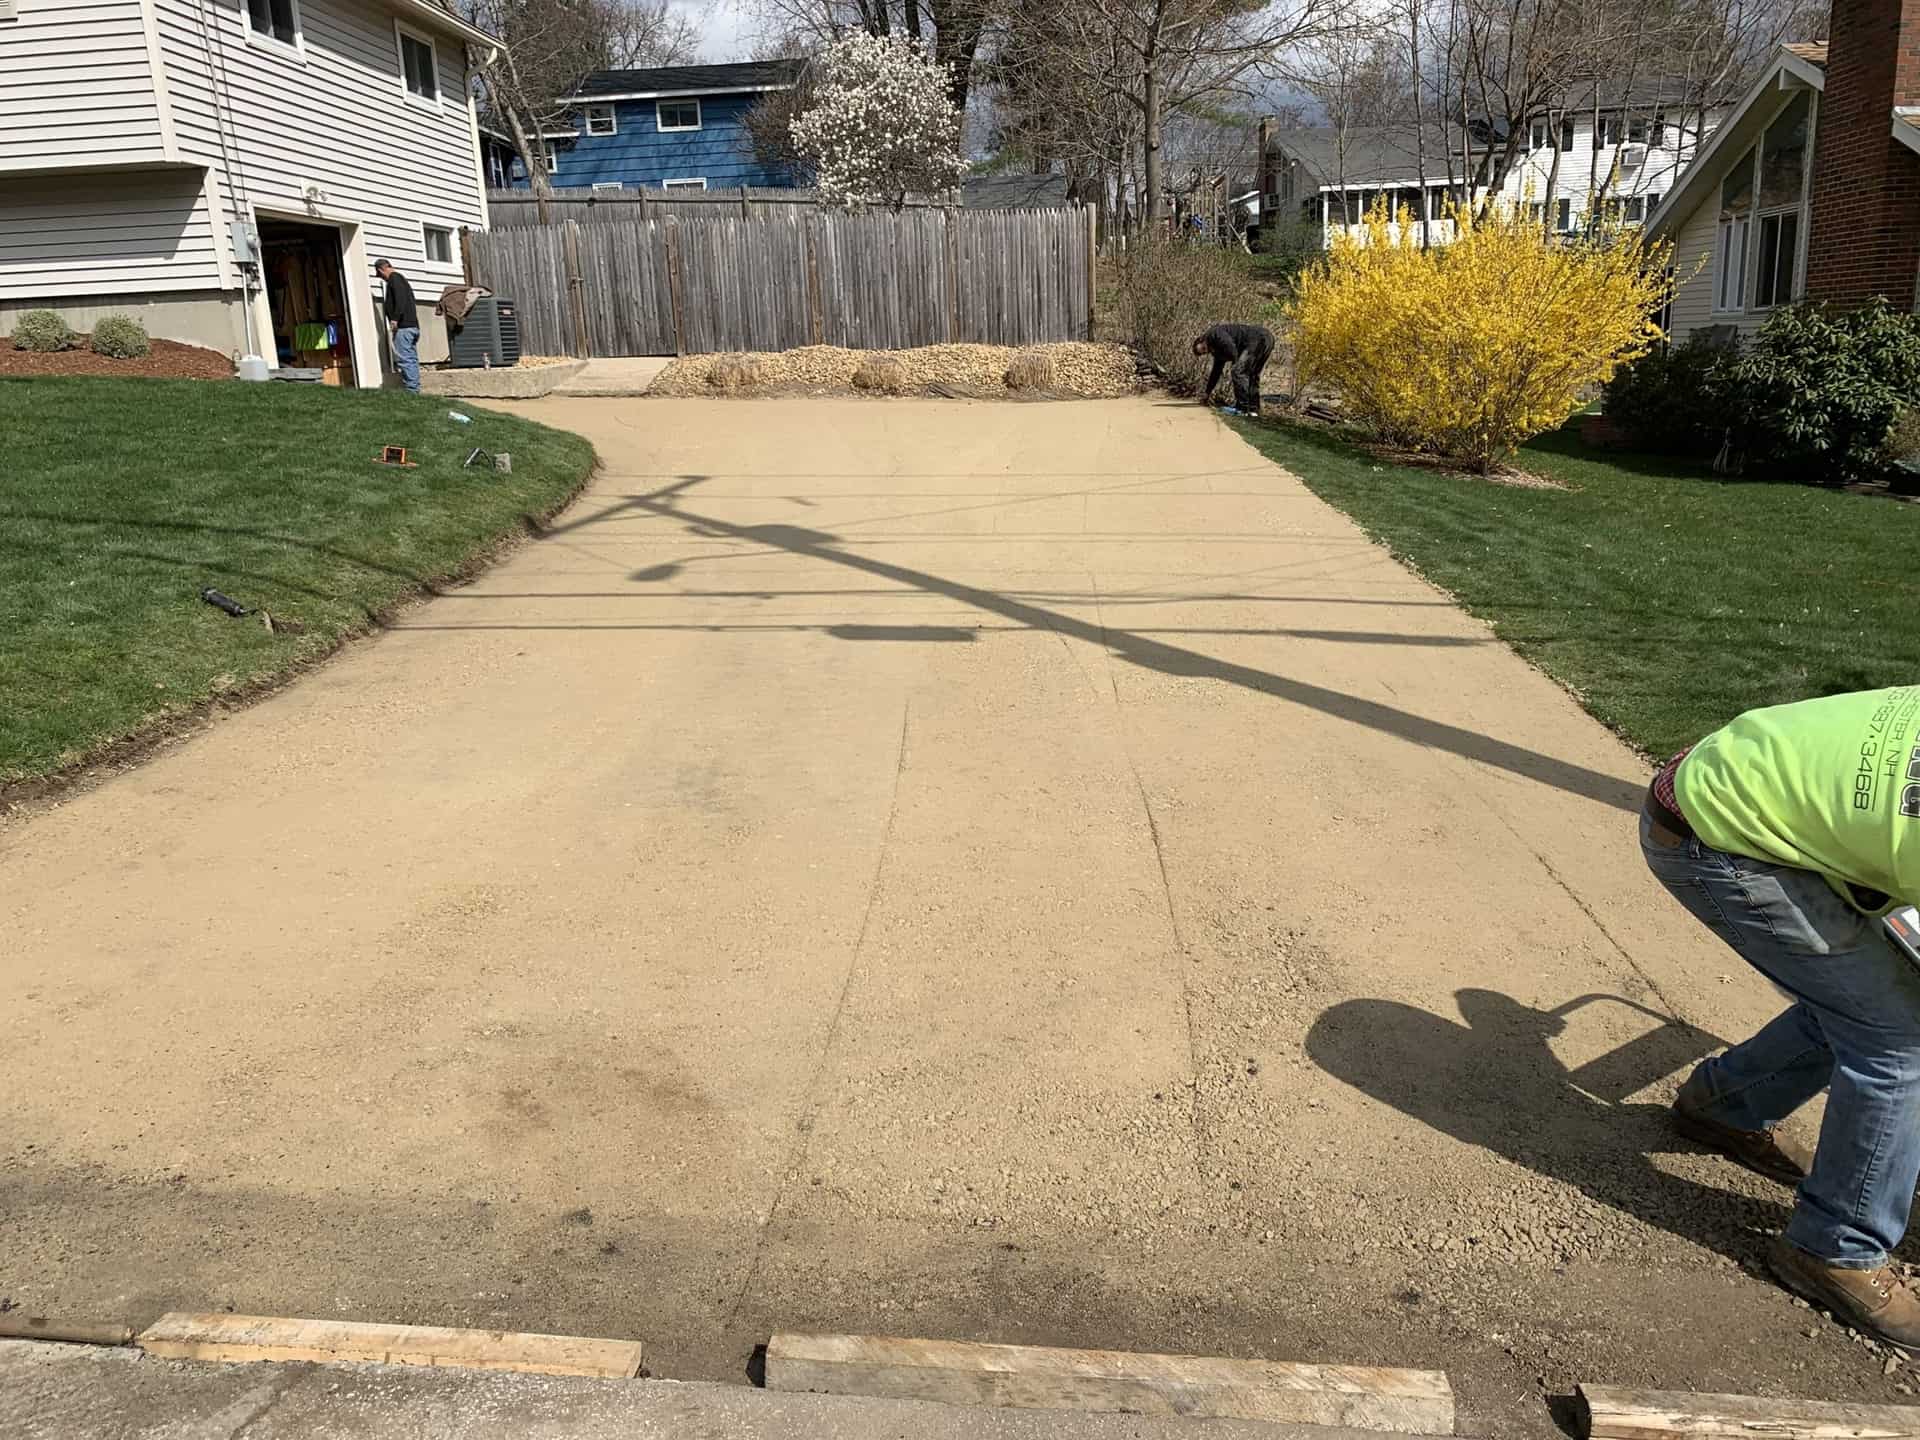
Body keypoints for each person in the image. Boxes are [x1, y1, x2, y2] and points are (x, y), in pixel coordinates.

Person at [1642, 686, 1920, 1348]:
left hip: (1739, 795)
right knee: (1897, 1040)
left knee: (1866, 1002)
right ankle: (1835, 1250)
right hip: (1721, 836)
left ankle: (1726, 1105)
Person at [1192, 324, 1272, 416]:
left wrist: (1236, 364)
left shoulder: (1214, 334)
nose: (1206, 351)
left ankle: (1242, 408)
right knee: (1252, 374)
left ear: (1202, 340)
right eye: (1204, 353)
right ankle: (1253, 409)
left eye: (1203, 348)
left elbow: (1230, 346)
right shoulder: (1216, 350)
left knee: (1237, 371)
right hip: (1267, 338)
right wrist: (1207, 392)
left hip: (1257, 339)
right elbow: (1215, 372)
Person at [375, 258, 420, 393]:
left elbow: (400, 300)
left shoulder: (394, 279)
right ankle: (414, 388)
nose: (382, 279)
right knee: (411, 359)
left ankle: (412, 391)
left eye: (380, 275)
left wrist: (395, 319)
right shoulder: (401, 279)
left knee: (405, 360)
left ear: (381, 270)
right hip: (412, 326)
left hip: (404, 327)